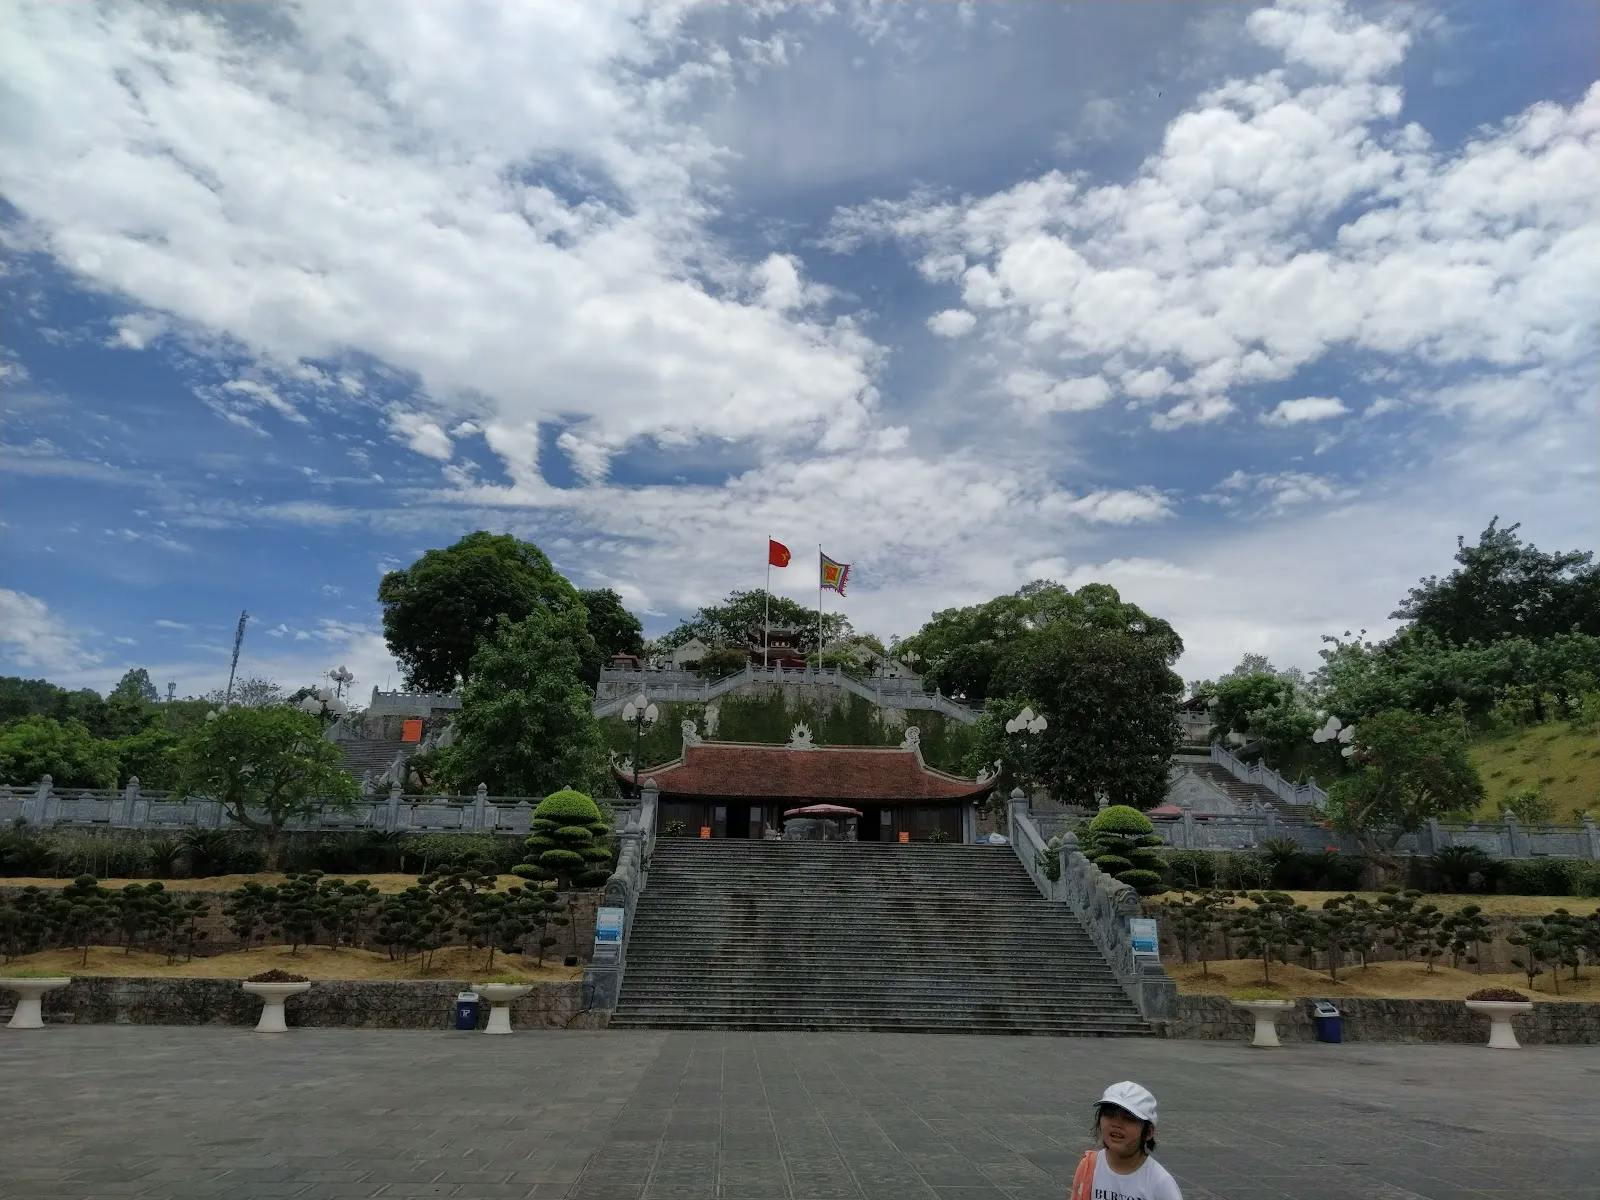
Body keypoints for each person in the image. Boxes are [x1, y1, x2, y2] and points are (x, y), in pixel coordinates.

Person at [1070, 1081, 1182, 1200]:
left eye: (1129, 1118)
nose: (1117, 1124)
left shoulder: (1160, 1183)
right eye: (1109, 1114)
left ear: (1148, 1132)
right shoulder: (1089, 1167)